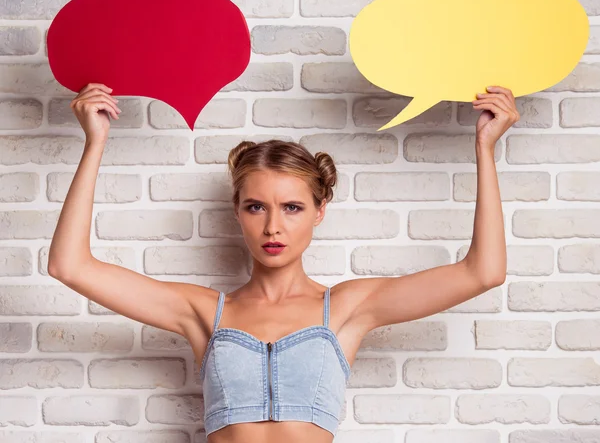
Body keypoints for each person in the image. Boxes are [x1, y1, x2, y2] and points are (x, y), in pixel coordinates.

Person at [48, 82, 520, 443]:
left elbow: (483, 271)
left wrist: (484, 147)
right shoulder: (202, 311)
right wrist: (95, 142)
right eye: (257, 207)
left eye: (291, 208)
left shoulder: (349, 307)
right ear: (238, 212)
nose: (273, 226)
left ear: (319, 211)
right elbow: (70, 265)